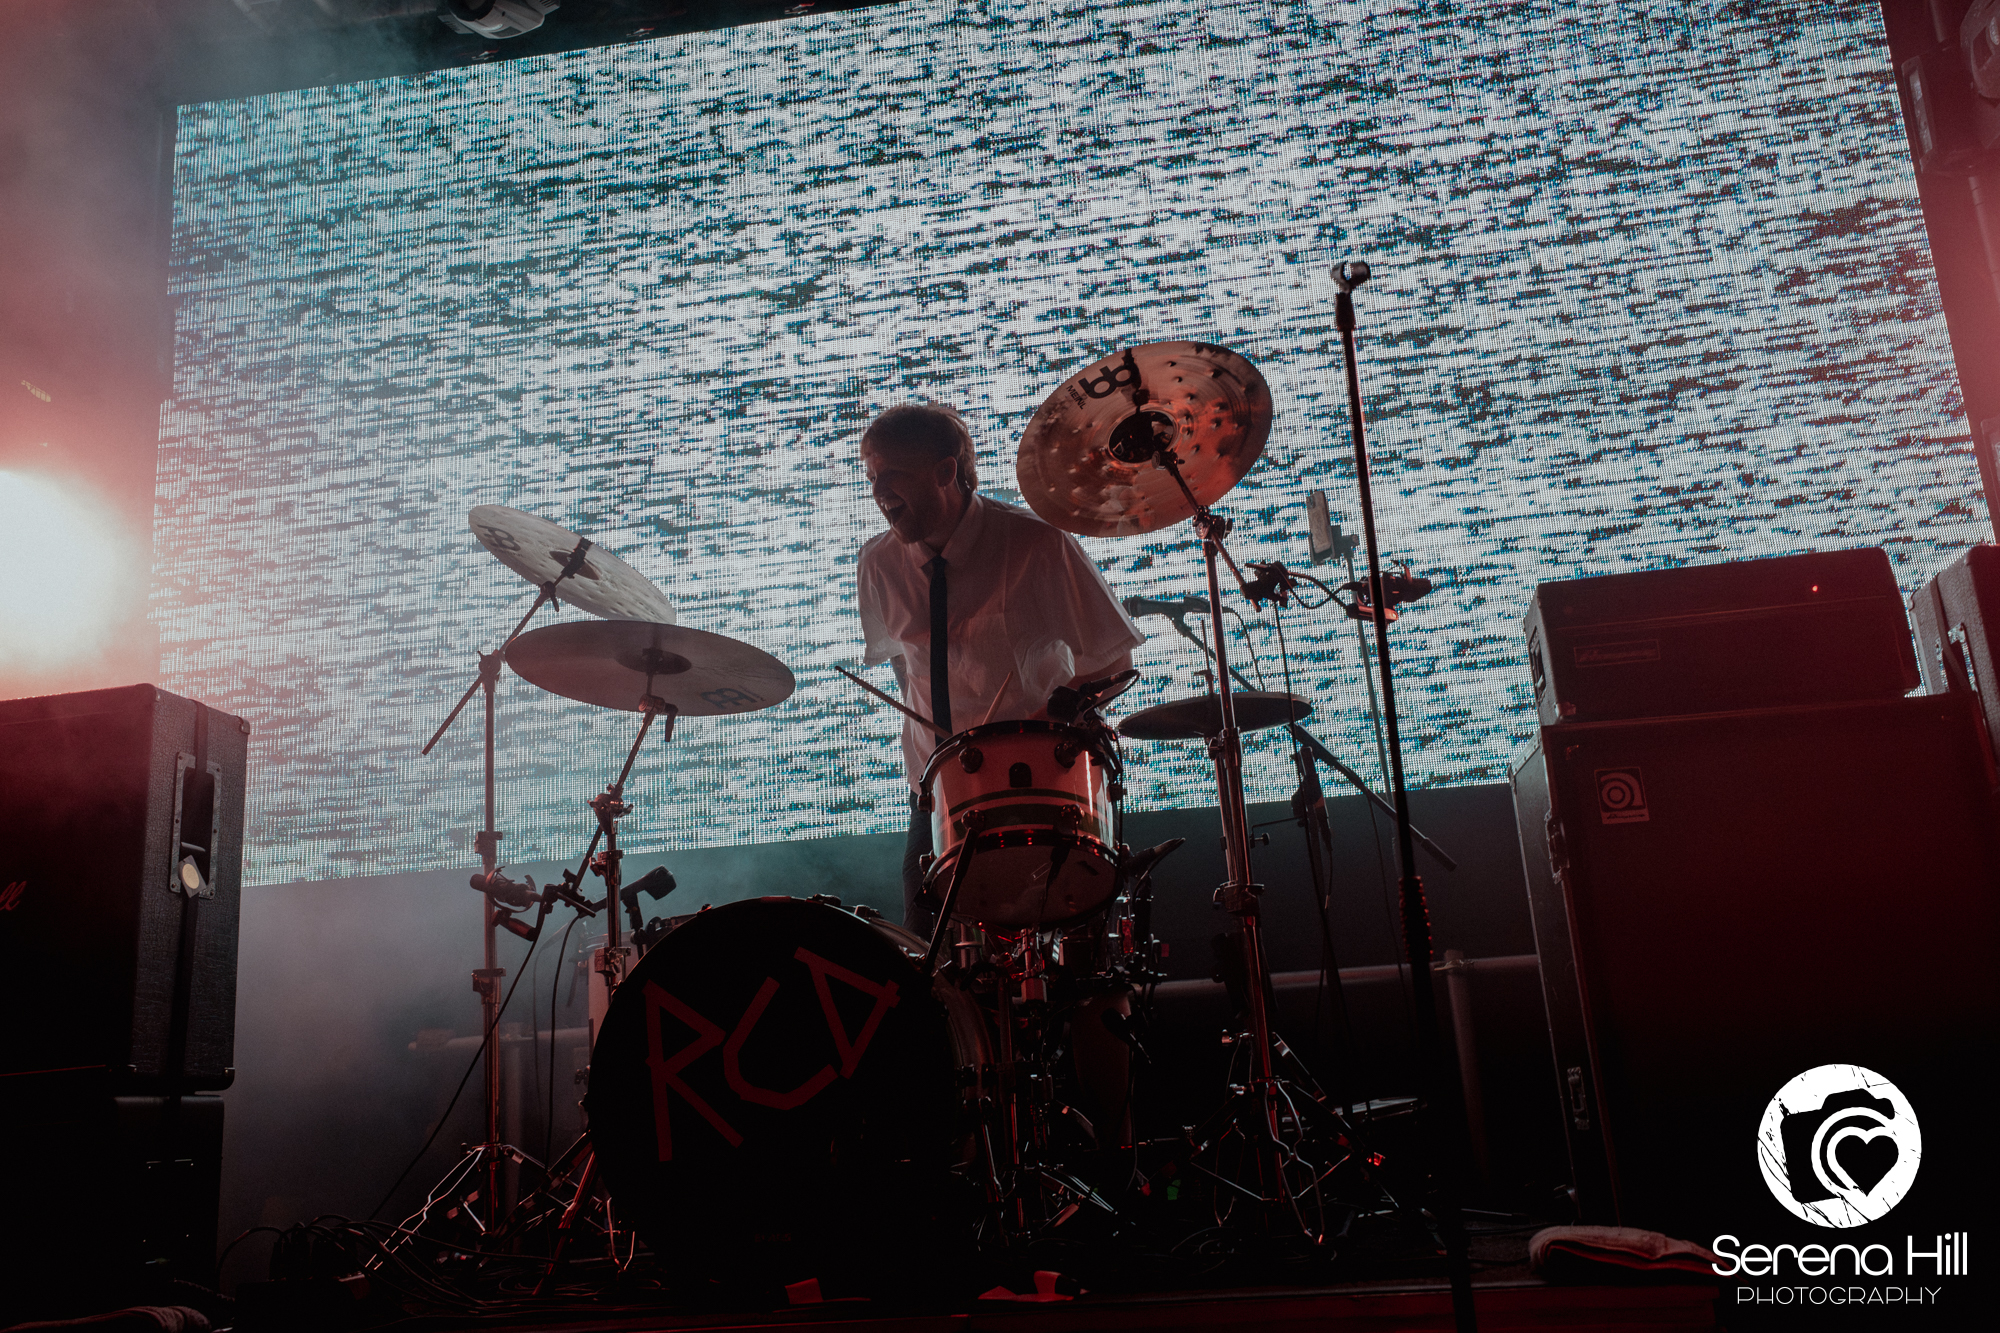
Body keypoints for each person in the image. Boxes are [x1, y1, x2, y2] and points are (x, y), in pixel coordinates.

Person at [854, 402, 1144, 939]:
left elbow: (1114, 663)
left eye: (893, 474)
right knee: (930, 956)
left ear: (946, 471)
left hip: (1039, 781)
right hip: (939, 790)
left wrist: (1050, 718)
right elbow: (903, 661)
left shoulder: (1038, 543)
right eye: (872, 477)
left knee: (1058, 953)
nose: (879, 491)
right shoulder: (877, 564)